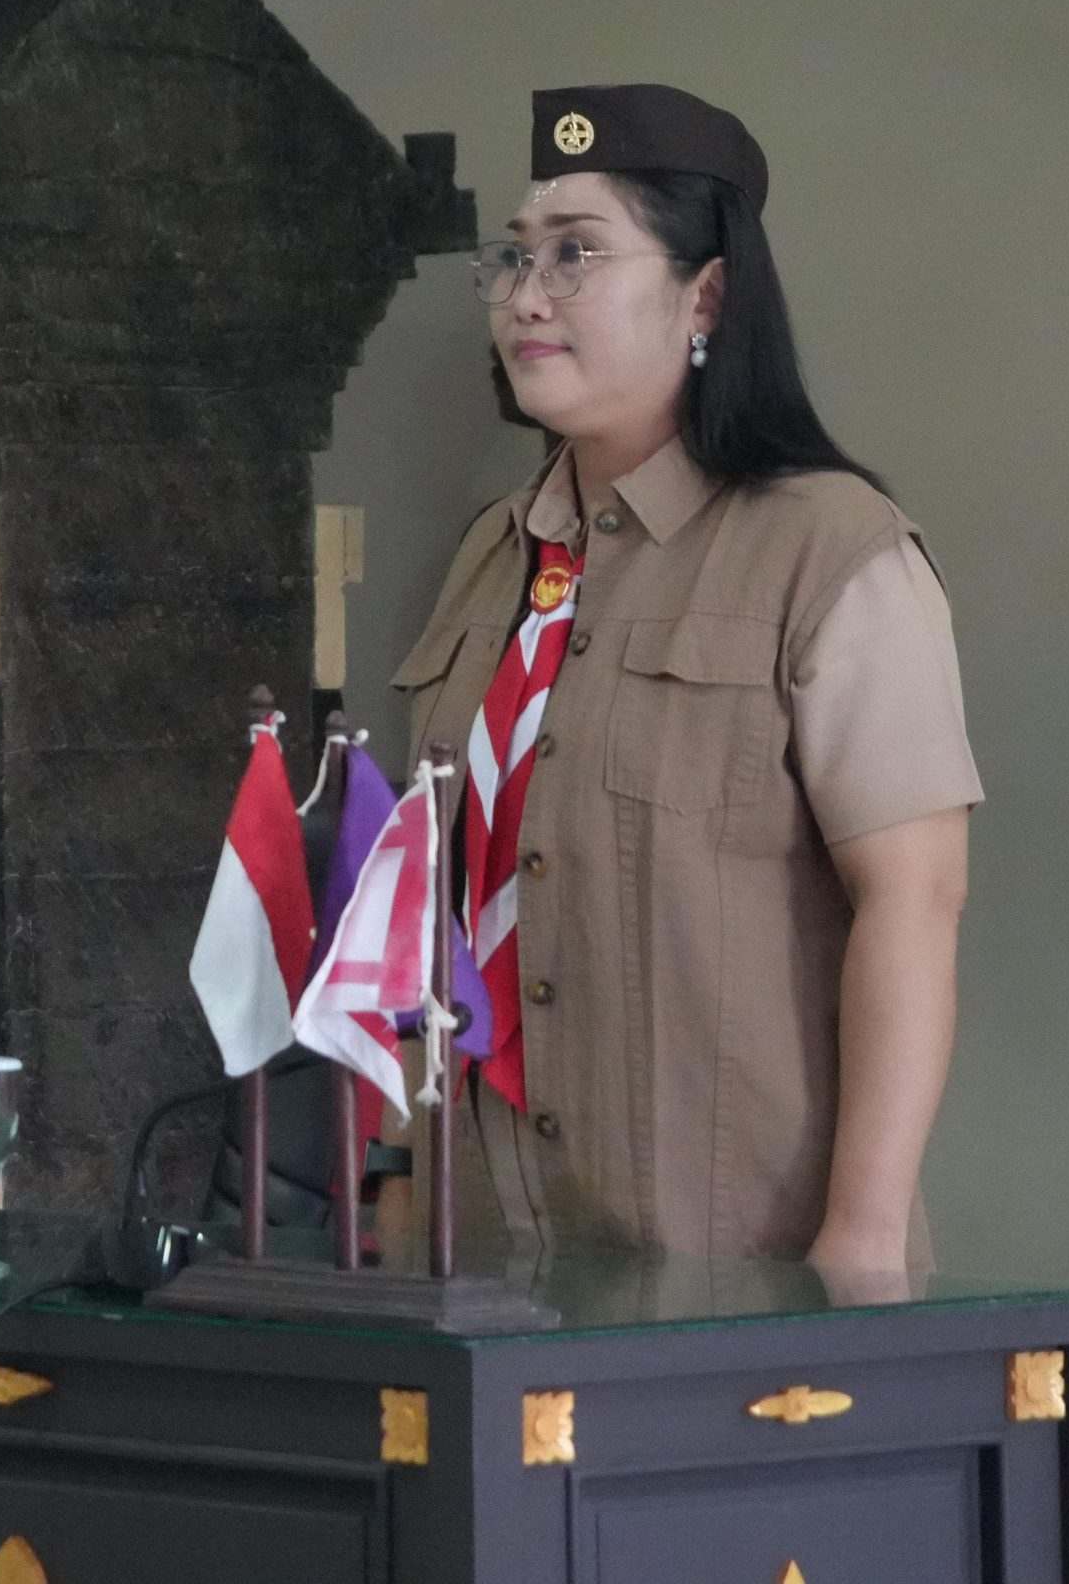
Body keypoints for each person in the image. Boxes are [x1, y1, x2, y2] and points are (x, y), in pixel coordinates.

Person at [390, 84, 979, 1270]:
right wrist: (396, 1196)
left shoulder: (829, 547)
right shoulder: (494, 554)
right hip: (485, 1261)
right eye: (514, 257)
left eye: (575, 253)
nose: (525, 295)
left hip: (738, 1277)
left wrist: (860, 1240)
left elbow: (913, 902)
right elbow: (424, 908)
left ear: (704, 295)